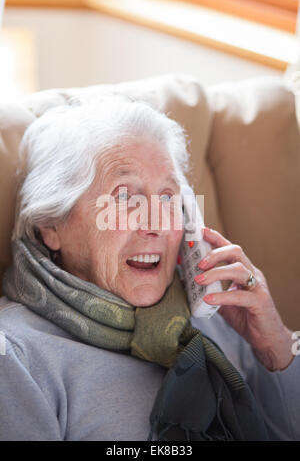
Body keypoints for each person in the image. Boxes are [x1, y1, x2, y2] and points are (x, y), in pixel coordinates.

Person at [0, 97, 299, 441]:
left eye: (169, 198)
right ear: (51, 225)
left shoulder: (219, 317)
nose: (157, 223)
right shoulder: (17, 358)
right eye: (126, 197)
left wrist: (276, 346)